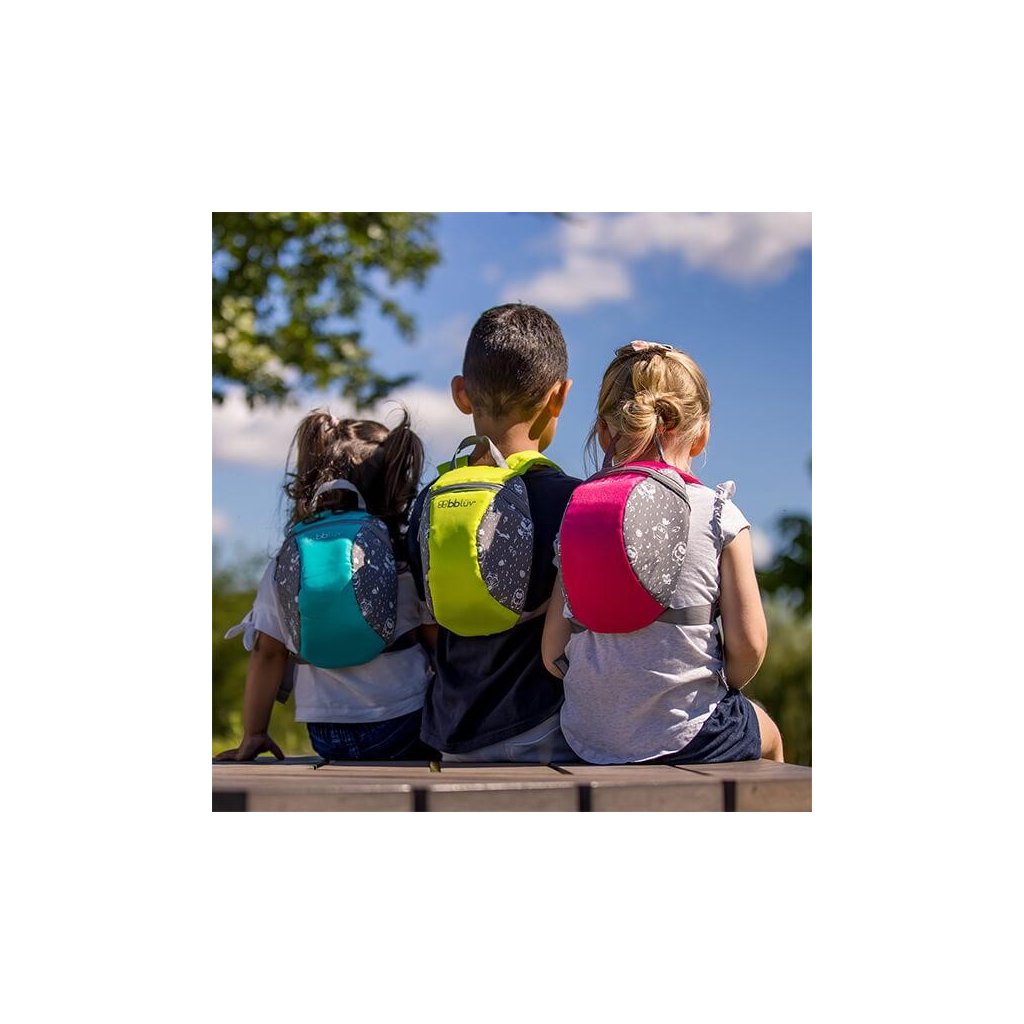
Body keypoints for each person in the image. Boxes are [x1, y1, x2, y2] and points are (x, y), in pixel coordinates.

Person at [541, 340, 785, 764]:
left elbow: (552, 653)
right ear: (701, 434)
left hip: (587, 736)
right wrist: (726, 685)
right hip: (691, 732)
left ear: (604, 432)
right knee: (771, 735)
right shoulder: (719, 514)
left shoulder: (579, 513)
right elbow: (750, 645)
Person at [407, 303, 582, 762]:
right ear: (559, 396)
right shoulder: (575, 503)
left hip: (454, 734)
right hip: (547, 730)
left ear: (462, 394)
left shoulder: (430, 503)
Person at [215, 410, 439, 763]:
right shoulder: (402, 561)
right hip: (402, 721)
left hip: (325, 731)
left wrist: (254, 733)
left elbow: (267, 653)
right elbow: (435, 642)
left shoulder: (289, 562)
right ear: (393, 485)